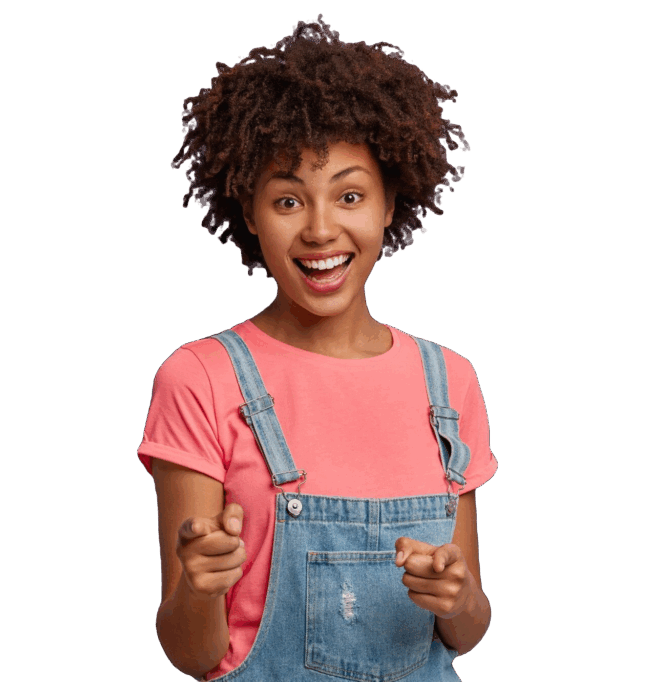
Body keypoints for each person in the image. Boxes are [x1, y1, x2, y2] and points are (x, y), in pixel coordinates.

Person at [137, 14, 498, 682]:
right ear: (249, 213)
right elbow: (191, 654)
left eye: (351, 195)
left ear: (391, 202)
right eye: (287, 201)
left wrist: (461, 595)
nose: (322, 229)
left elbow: (465, 631)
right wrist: (201, 586)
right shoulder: (201, 380)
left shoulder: (449, 383)